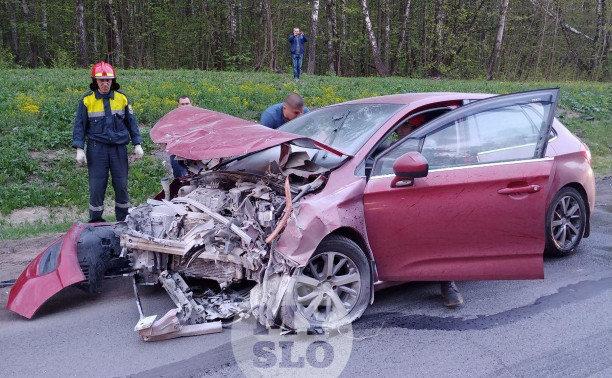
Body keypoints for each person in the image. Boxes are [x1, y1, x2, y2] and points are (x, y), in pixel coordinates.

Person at [72, 61, 143, 223]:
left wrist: (137, 144)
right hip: (97, 149)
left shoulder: (122, 98)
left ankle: (123, 221)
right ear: (95, 81)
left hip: (118, 149)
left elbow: (131, 122)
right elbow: (80, 125)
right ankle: (96, 222)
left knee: (121, 185)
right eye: (102, 80)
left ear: (113, 80)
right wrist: (79, 148)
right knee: (97, 186)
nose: (105, 83)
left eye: (108, 80)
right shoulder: (87, 100)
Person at [170, 95, 191, 177]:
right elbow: (157, 127)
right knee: (180, 180)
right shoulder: (172, 117)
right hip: (177, 154)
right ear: (178, 105)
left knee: (199, 179)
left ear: (191, 104)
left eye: (187, 103)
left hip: (194, 154)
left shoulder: (198, 117)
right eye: (182, 104)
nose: (185, 106)